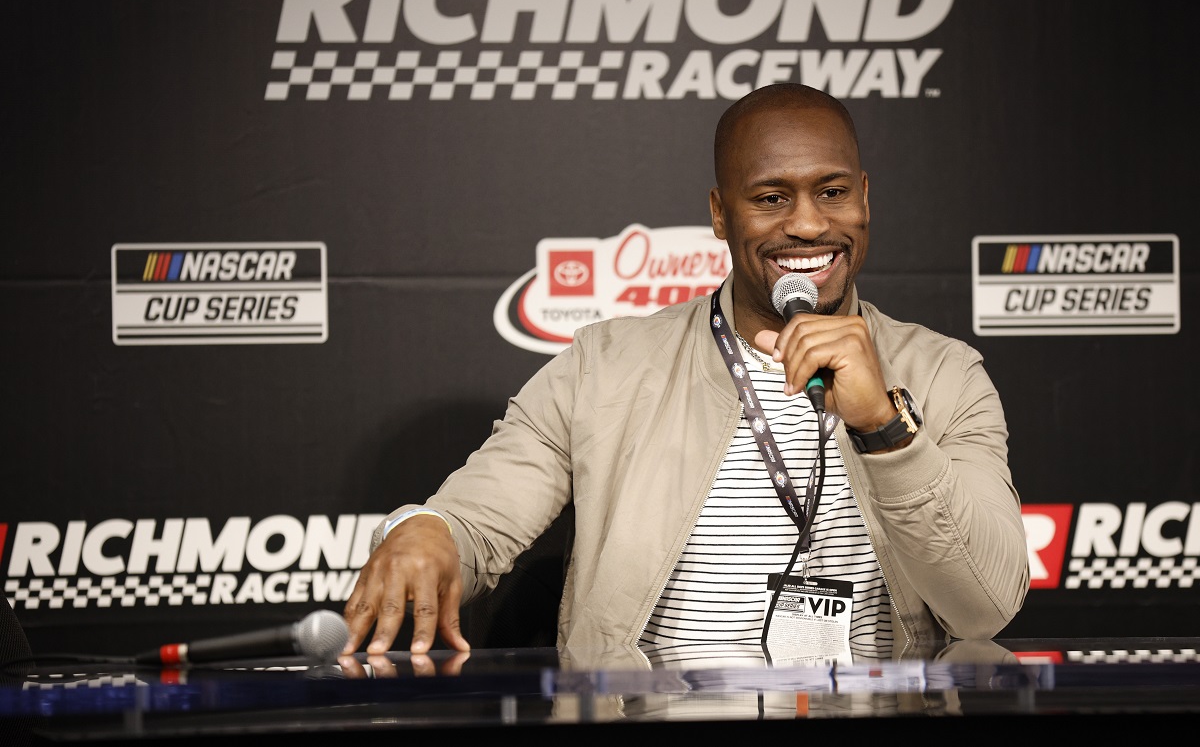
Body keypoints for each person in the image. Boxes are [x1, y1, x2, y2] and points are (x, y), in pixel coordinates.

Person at [340, 83, 1029, 662]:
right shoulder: (603, 368)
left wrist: (885, 427)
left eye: (832, 191)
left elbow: (986, 605)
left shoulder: (946, 375)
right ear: (720, 213)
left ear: (866, 197)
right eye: (770, 199)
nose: (810, 224)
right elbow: (473, 523)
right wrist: (424, 528)